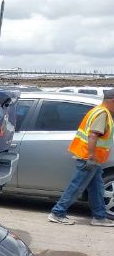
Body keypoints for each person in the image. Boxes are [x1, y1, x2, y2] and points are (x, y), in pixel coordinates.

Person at [48, 88, 114, 226]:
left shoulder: (100, 111)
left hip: (93, 159)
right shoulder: (102, 114)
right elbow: (93, 135)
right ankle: (57, 213)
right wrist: (90, 156)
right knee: (76, 186)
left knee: (97, 188)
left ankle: (99, 217)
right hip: (88, 158)